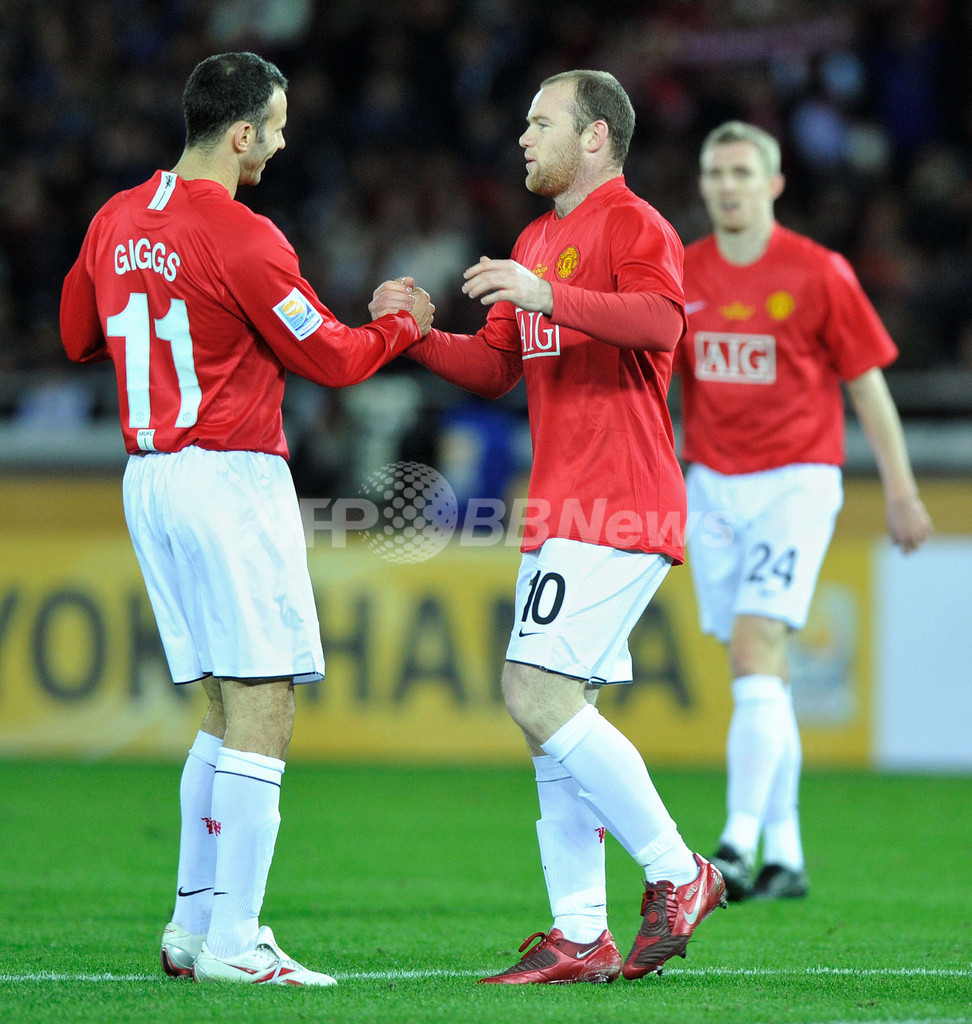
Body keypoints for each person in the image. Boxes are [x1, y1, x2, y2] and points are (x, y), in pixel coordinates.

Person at [59, 52, 433, 986]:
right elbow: (337, 360)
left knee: (223, 708)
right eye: (277, 121)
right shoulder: (242, 236)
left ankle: (192, 928)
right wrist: (403, 322)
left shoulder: (113, 217)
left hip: (150, 476)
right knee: (265, 701)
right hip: (228, 476)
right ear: (240, 134)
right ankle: (238, 941)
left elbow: (73, 335)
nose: (283, 135)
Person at [371, 69, 726, 984]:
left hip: (622, 498)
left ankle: (678, 871)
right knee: (554, 721)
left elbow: (657, 322)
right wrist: (415, 335)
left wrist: (544, 294)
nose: (523, 137)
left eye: (541, 122)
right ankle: (580, 934)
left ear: (598, 136)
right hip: (563, 505)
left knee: (532, 691)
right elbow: (497, 370)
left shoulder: (634, 226)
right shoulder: (535, 238)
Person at [676, 120, 932, 902]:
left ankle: (736, 843)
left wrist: (901, 489)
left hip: (797, 481)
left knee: (757, 648)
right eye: (716, 172)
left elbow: (868, 385)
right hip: (712, 485)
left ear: (775, 184)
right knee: (759, 671)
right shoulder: (680, 272)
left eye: (743, 172)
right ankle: (785, 850)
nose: (728, 185)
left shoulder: (820, 273)